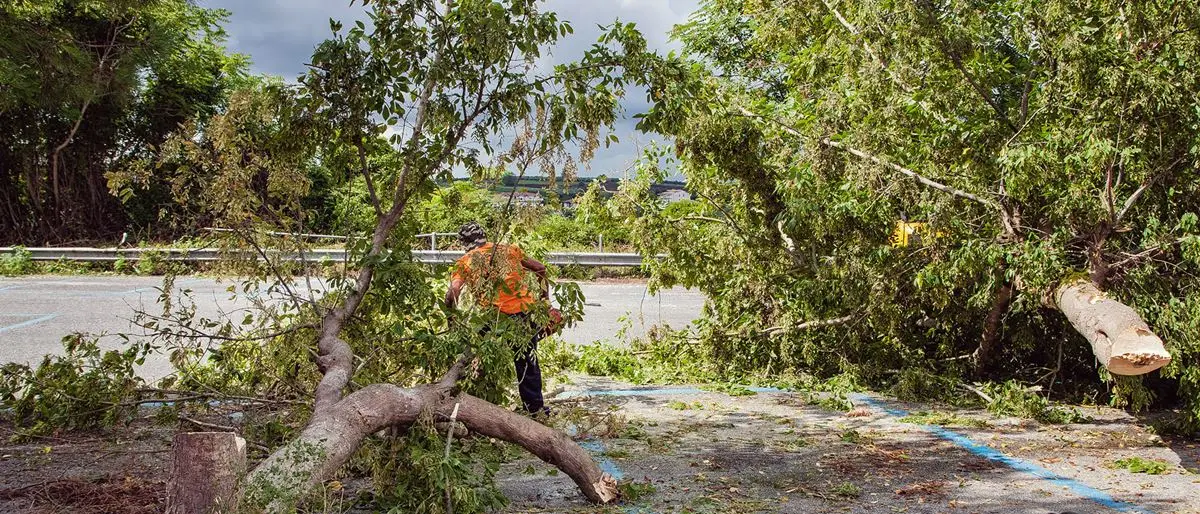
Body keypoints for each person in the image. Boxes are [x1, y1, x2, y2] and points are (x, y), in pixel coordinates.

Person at [445, 221, 559, 416]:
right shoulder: (509, 250)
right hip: (525, 312)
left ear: (463, 243)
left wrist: (450, 317)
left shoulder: (465, 261)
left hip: (494, 317)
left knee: (474, 355)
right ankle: (535, 410)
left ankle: (467, 399)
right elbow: (540, 268)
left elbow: (454, 291)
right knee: (527, 362)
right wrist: (545, 301)